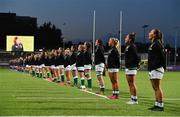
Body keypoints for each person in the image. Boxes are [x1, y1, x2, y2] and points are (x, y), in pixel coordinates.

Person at [148, 29, 166, 111]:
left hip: (157, 68)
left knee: (157, 87)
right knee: (155, 88)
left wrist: (157, 66)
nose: (149, 33)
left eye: (151, 32)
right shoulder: (154, 43)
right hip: (153, 68)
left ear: (154, 35)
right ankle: (157, 104)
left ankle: (161, 106)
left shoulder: (157, 44)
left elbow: (162, 57)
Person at [124, 33, 141, 104]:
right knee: (130, 84)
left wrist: (137, 65)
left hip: (132, 67)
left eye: (126, 37)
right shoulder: (128, 46)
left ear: (130, 39)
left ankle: (135, 100)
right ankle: (132, 98)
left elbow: (137, 56)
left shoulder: (132, 46)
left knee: (132, 83)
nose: (125, 38)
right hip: (128, 67)